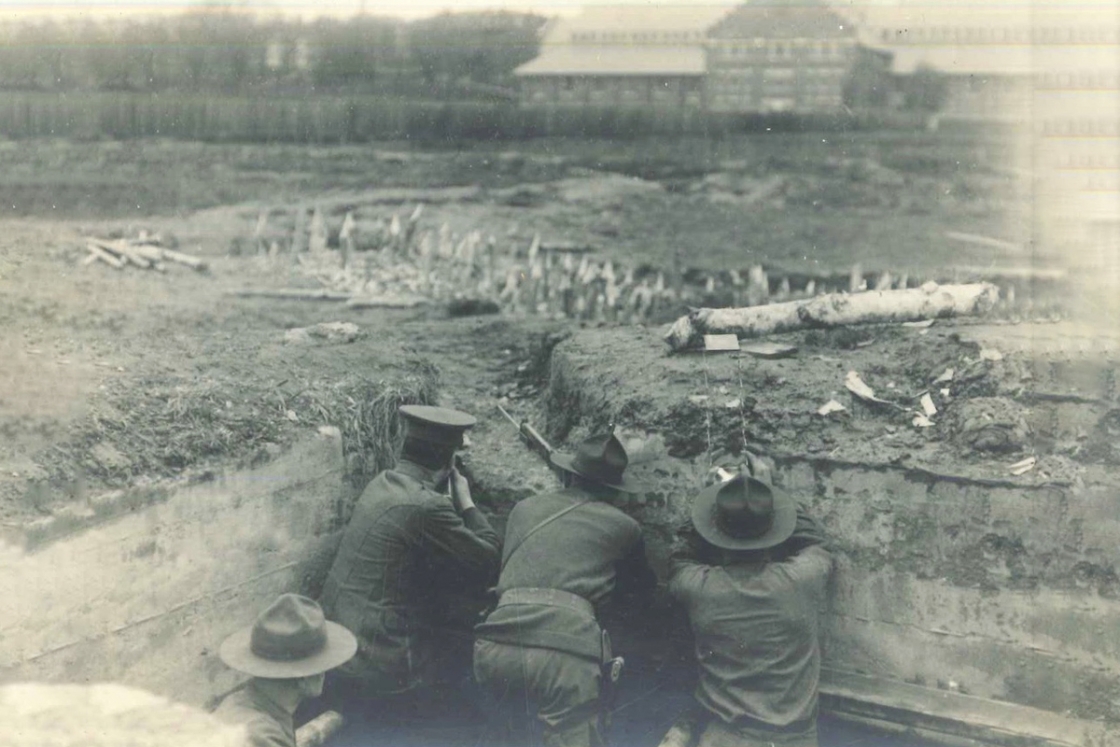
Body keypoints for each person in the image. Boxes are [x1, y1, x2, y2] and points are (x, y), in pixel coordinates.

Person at [473, 431, 657, 747]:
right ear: (614, 490)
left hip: (495, 646)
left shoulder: (524, 508)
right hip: (565, 659)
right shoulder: (625, 527)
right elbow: (641, 597)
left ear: (569, 476)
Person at [317, 404, 500, 709]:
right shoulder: (427, 506)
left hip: (335, 645)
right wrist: (466, 503)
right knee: (462, 677)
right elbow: (488, 560)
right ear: (449, 460)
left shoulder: (382, 483)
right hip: (376, 661)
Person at [668, 454, 832, 747]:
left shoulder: (698, 587)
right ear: (773, 529)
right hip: (795, 739)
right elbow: (814, 542)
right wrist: (769, 495)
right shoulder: (800, 581)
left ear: (715, 530)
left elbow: (681, 551)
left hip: (724, 739)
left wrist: (708, 499)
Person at [213, 593, 358, 747]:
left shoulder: (235, 703)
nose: (324, 673)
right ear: (303, 677)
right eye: (321, 666)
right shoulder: (263, 737)